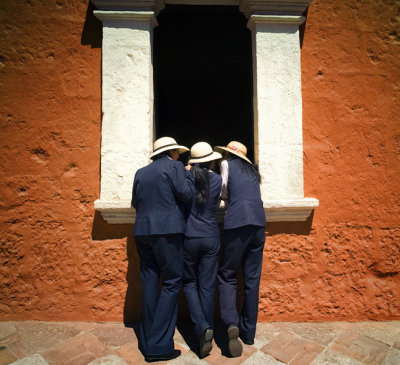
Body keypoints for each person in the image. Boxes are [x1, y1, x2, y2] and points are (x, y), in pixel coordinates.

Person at [131, 136, 195, 362]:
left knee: (149, 283)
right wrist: (188, 174)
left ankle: (148, 341)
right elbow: (187, 194)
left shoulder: (141, 172)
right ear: (173, 153)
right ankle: (158, 346)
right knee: (171, 282)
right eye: (178, 152)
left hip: (142, 231)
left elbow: (135, 203)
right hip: (167, 232)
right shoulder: (176, 166)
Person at [214, 141, 266, 357]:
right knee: (252, 280)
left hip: (237, 223)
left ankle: (231, 323)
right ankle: (249, 332)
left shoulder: (227, 164)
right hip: (258, 224)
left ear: (229, 153)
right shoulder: (253, 171)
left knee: (227, 274)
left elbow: (223, 190)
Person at [182, 142, 222, 358]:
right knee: (207, 286)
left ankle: (201, 328)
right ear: (212, 160)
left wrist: (185, 168)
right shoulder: (216, 179)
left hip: (189, 236)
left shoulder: (187, 177)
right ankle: (209, 330)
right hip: (210, 236)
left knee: (189, 283)